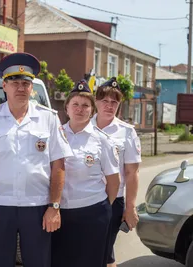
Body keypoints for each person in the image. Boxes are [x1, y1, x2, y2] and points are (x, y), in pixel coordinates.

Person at [0, 52, 73, 267]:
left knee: (38, 262)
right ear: (4, 86)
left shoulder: (48, 118)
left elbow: (58, 165)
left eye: (26, 83)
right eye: (15, 82)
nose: (21, 88)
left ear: (32, 88)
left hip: (37, 206)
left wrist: (54, 206)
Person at [51, 79, 120, 267]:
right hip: (58, 213)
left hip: (92, 213)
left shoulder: (102, 140)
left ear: (92, 110)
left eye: (85, 105)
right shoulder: (53, 136)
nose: (80, 109)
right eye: (75, 104)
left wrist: (102, 207)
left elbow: (114, 181)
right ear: (66, 108)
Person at [92, 77, 142, 267]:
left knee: (105, 253)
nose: (109, 106)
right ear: (96, 101)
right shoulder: (82, 127)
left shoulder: (127, 132)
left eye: (114, 102)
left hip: (112, 201)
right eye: (105, 101)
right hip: (82, 199)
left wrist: (130, 207)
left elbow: (132, 173)